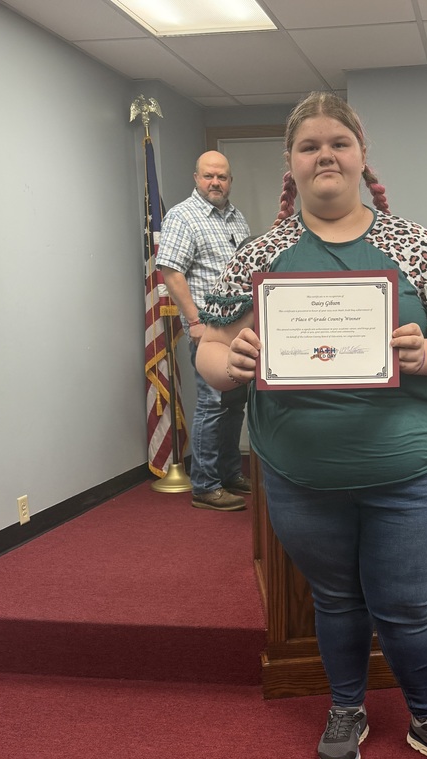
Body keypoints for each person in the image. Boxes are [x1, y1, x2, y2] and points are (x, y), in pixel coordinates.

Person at [195, 93, 427, 759]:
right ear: (291, 164)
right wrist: (230, 361)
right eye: (310, 146)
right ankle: (347, 708)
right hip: (301, 477)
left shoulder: (415, 243)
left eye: (338, 143)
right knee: (334, 600)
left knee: (406, 603)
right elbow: (208, 351)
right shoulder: (261, 254)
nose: (325, 155)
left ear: (361, 158)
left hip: (408, 472)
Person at [157, 151, 252, 511]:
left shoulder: (235, 217)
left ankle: (229, 474)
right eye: (209, 176)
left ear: (230, 181)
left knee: (234, 405)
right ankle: (205, 484)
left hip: (236, 331)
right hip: (207, 332)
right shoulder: (184, 216)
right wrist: (195, 322)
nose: (216, 182)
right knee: (212, 405)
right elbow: (171, 273)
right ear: (196, 177)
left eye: (223, 177)